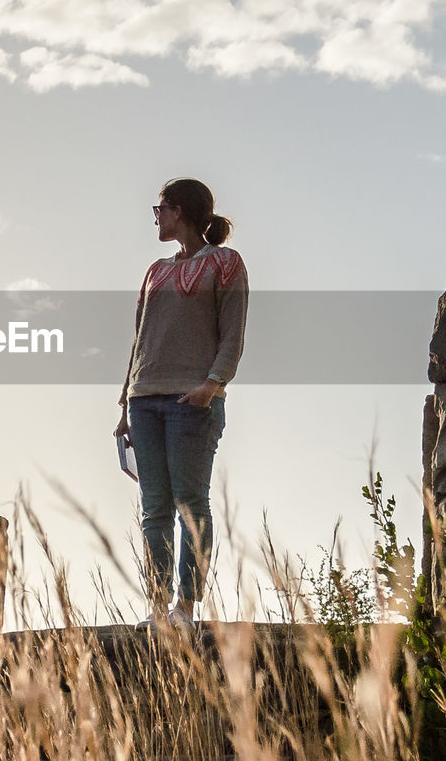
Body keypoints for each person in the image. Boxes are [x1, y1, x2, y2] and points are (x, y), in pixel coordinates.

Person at [113, 177, 249, 631]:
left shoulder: (226, 264)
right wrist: (123, 406)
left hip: (193, 401)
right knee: (154, 507)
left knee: (191, 503)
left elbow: (233, 333)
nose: (156, 216)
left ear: (183, 211)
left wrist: (211, 385)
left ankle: (186, 610)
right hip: (144, 400)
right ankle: (158, 611)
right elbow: (140, 339)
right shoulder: (155, 270)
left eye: (161, 208)